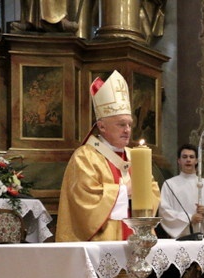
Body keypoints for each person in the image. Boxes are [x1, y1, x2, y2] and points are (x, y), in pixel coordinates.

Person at [57, 70, 160, 242]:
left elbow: (153, 190)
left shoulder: (134, 156)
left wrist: (142, 193)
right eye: (121, 124)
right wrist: (124, 191)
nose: (127, 130)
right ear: (102, 127)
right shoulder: (85, 156)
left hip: (137, 239)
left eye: (129, 124)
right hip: (102, 243)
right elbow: (84, 201)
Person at [159, 143, 204, 238]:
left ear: (197, 161)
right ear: (179, 161)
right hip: (181, 239)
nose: (188, 160)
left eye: (191, 157)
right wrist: (189, 218)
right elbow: (164, 212)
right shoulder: (169, 184)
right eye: (184, 157)